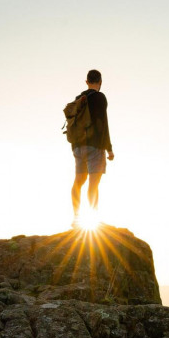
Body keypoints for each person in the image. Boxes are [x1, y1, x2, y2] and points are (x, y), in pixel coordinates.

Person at [71, 69, 113, 228]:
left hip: (78, 147)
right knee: (93, 185)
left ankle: (76, 218)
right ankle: (94, 221)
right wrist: (109, 148)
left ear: (86, 81)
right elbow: (103, 124)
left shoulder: (78, 98)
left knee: (78, 182)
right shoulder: (100, 98)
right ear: (100, 82)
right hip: (95, 146)